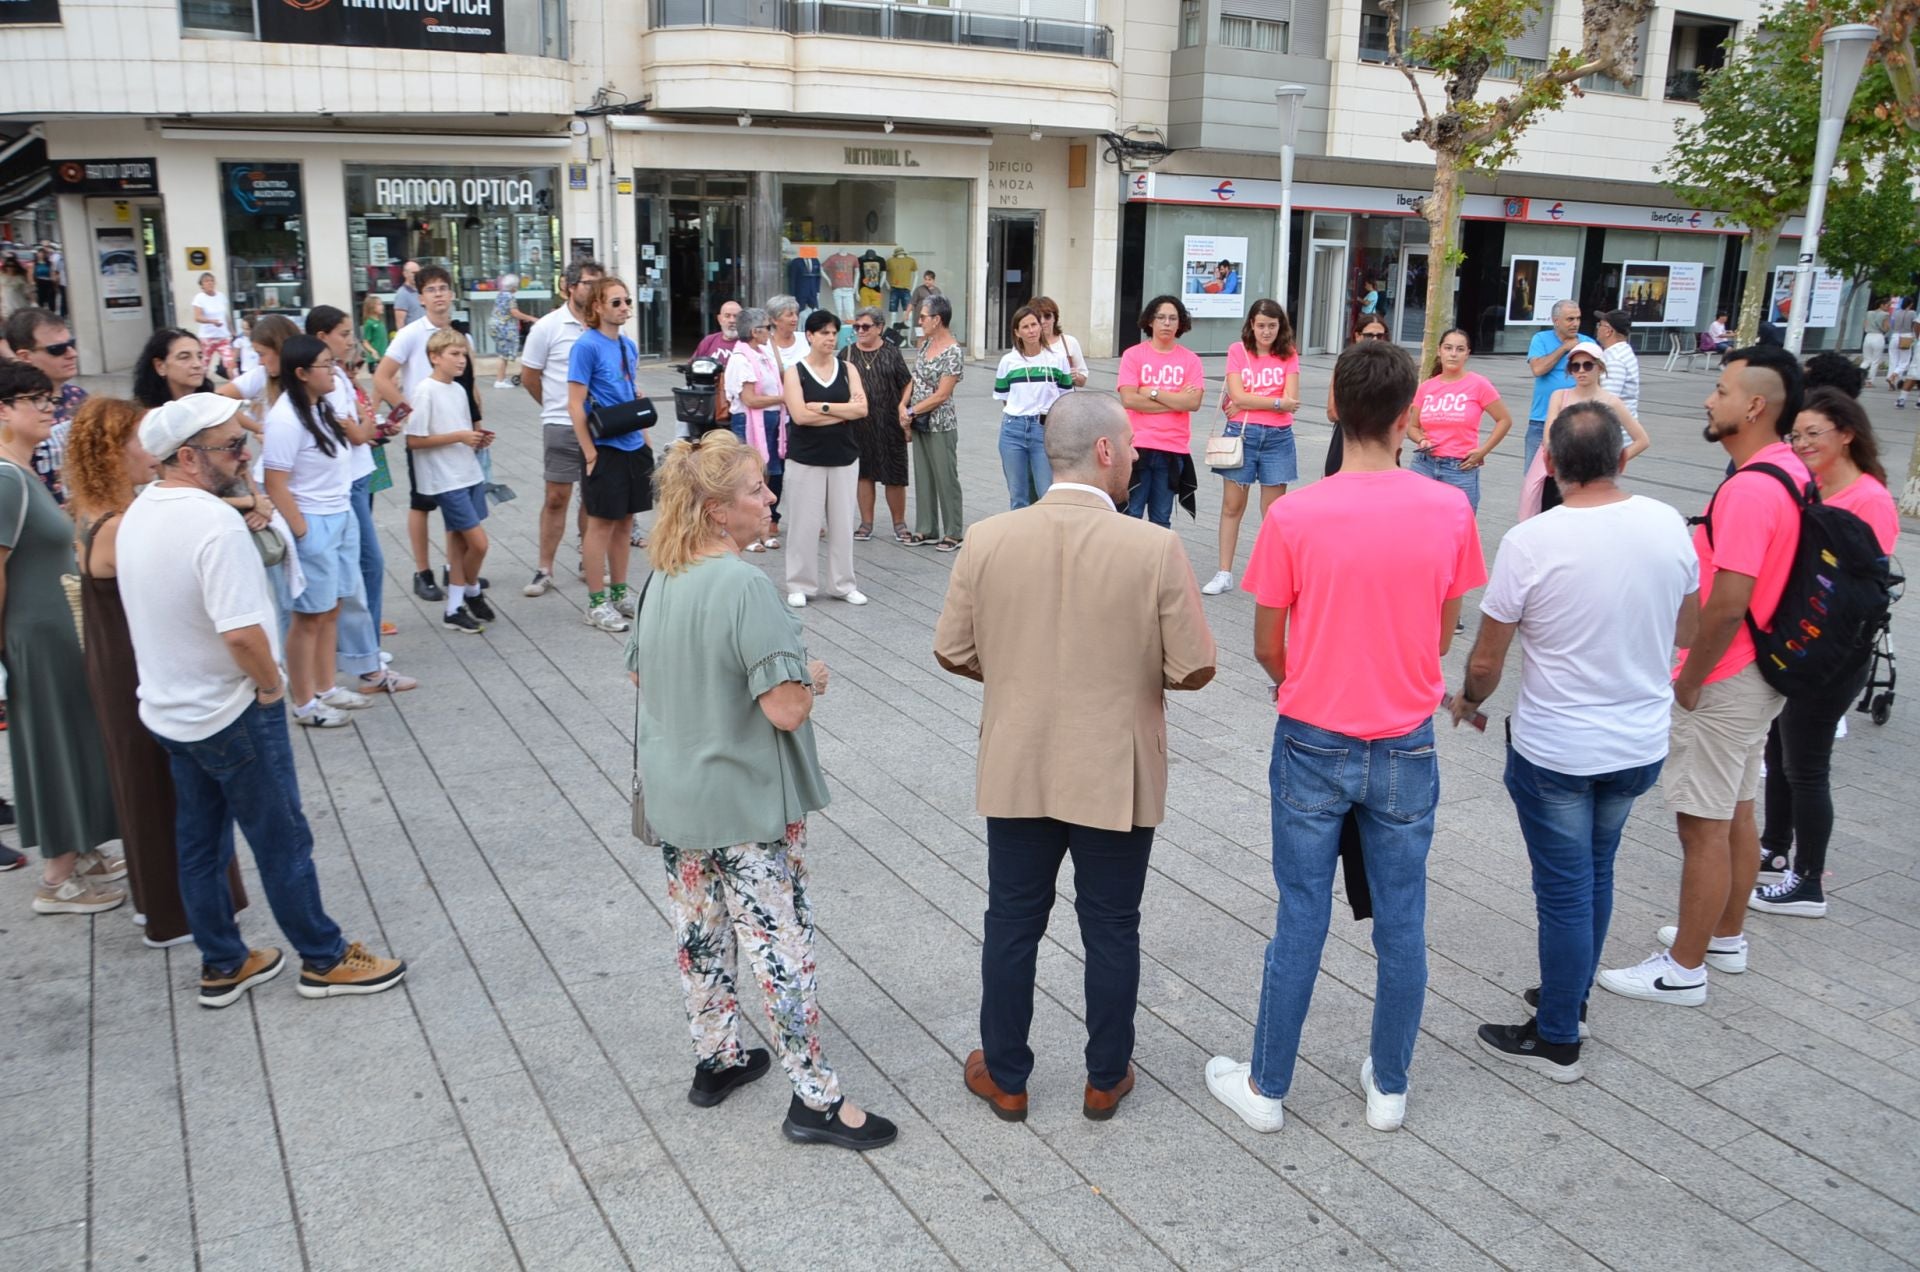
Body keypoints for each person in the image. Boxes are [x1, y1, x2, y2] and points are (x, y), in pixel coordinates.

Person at [1206, 339, 1484, 1136]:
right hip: (1405, 738)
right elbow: (1442, 636)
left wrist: (1300, 680)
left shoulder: (1294, 514)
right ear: (1408, 415)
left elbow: (1268, 642)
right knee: (1402, 918)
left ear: (1334, 410)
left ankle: (1267, 1085)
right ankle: (1389, 1084)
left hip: (1312, 736)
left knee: (1301, 913)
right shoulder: (1449, 510)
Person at [935, 392, 1216, 1124]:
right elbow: (1193, 666)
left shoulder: (987, 538)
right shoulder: (1154, 547)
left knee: (1012, 921)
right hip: (1116, 767)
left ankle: (1006, 1076)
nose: (1137, 456)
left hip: (1019, 758)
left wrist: (1018, 675)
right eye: (1131, 444)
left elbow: (953, 649)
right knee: (1112, 924)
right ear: (1104, 451)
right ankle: (1104, 1076)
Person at [628, 431, 897, 1150]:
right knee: (781, 947)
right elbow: (784, 709)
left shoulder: (662, 576)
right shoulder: (745, 586)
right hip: (744, 801)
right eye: (755, 489)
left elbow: (639, 674)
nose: (770, 496)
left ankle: (716, 1059)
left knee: (699, 936)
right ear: (717, 510)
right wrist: (810, 675)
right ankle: (815, 1099)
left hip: (676, 796)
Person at [118, 399, 406, 1007]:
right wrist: (272, 687)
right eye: (230, 446)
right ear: (188, 458)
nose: (245, 454)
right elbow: (243, 635)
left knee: (200, 843)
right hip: (231, 709)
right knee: (282, 839)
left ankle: (223, 962)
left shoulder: (142, 509)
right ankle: (323, 958)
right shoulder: (213, 525)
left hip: (171, 709)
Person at [1452, 402, 1699, 1081]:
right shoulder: (1668, 524)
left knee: (1564, 890)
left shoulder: (1531, 541)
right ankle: (1572, 993)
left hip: (1559, 748)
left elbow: (1486, 661)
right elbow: (1687, 630)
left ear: (1551, 463)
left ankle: (1559, 1037)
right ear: (1621, 459)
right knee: (1597, 869)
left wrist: (1468, 702)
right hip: (1639, 742)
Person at [1596, 344, 1807, 1007]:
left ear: (1756, 405)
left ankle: (1682, 969)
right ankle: (1724, 934)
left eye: (1721, 390)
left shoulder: (1750, 489)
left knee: (1702, 824)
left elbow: (1728, 602)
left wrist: (1692, 679)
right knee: (1736, 808)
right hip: (1762, 672)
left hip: (1728, 675)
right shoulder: (1789, 470)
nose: (1709, 400)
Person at [64, 396, 250, 946]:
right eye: (140, 441)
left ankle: (170, 904)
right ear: (111, 451)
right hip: (134, 663)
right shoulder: (119, 523)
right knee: (159, 787)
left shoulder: (101, 509)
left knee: (150, 783)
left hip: (120, 657)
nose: (153, 451)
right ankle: (173, 913)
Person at [1750, 389, 1900, 919]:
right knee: (1779, 752)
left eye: (1814, 434)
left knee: (1808, 766)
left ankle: (1808, 883)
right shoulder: (1809, 486)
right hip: (1794, 643)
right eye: (1796, 435)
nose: (1803, 443)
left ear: (1848, 434)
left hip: (1833, 654)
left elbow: (1863, 592)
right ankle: (1774, 851)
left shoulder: (1869, 499)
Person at [0, 361, 126, 915]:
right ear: (3, 410)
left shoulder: (20, 471)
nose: (49, 410)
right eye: (36, 401)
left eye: (49, 400)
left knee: (75, 738)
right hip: (35, 637)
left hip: (52, 632)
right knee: (54, 746)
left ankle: (82, 847)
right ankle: (55, 879)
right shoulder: (6, 479)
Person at [261, 336, 376, 728]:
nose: (334, 371)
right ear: (301, 373)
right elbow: (274, 482)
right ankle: (304, 702)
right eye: (326, 365)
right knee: (309, 616)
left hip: (340, 515)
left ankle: (326, 688)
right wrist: (302, 531)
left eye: (333, 363)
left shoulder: (322, 406)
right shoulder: (285, 419)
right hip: (313, 521)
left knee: (332, 608)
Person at [308, 306, 411, 694]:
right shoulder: (326, 381)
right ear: (322, 337)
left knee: (360, 565)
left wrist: (375, 428)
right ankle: (364, 654)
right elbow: (352, 431)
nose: (351, 340)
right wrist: (369, 428)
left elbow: (359, 427)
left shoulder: (337, 375)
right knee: (366, 565)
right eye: (344, 333)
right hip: (344, 482)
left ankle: (362, 650)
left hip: (358, 474)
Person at [567, 276, 652, 633]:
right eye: (616, 302)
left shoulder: (627, 345)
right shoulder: (586, 346)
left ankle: (619, 592)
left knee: (626, 522)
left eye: (627, 301)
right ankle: (596, 602)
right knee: (600, 524)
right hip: (604, 447)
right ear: (597, 307)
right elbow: (575, 404)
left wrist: (646, 439)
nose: (624, 307)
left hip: (632, 444)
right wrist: (589, 453)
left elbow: (632, 394)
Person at [375, 264, 464, 602]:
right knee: (422, 503)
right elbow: (382, 377)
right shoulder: (412, 333)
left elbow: (468, 383)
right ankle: (422, 572)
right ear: (421, 298)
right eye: (431, 290)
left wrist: (476, 420)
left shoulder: (458, 333)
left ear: (451, 294)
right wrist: (409, 412)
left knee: (457, 502)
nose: (438, 294)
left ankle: (454, 568)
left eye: (443, 288)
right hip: (425, 435)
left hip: (456, 432)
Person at [519, 258, 605, 597]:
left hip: (601, 425)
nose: (595, 290)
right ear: (570, 287)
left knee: (593, 497)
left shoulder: (606, 324)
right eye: (588, 283)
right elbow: (529, 376)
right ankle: (545, 568)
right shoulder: (548, 326)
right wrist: (555, 407)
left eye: (599, 283)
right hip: (561, 424)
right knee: (556, 497)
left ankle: (589, 561)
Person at [1204, 299, 1301, 596]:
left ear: (1280, 326)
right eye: (1261, 325)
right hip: (1242, 435)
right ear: (1251, 325)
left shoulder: (1288, 353)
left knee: (1273, 511)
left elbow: (1292, 401)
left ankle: (1273, 572)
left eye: (1272, 325)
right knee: (1232, 506)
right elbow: (1238, 395)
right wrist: (1275, 402)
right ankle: (1224, 572)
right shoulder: (1238, 351)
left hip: (1278, 437)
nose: (1266, 331)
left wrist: (1250, 400)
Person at [408, 329, 494, 634]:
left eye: (464, 354)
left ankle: (454, 607)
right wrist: (459, 436)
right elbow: (414, 440)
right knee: (479, 544)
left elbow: (461, 430)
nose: (462, 360)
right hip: (445, 479)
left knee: (458, 544)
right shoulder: (425, 391)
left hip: (467, 472)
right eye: (454, 354)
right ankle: (471, 591)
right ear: (434, 357)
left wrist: (476, 440)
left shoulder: (458, 389)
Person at [780, 310, 868, 609]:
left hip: (844, 456)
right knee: (803, 525)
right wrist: (843, 413)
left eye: (834, 333)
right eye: (824, 333)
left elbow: (861, 409)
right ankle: (799, 584)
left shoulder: (847, 368)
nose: (831, 338)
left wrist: (824, 407)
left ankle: (843, 584)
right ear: (810, 336)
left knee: (842, 525)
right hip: (806, 458)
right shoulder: (796, 372)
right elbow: (800, 416)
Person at [1520, 342, 1650, 519]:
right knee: (1550, 518)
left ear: (1600, 368)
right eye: (1575, 366)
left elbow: (1642, 440)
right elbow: (1548, 436)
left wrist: (1610, 462)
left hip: (1593, 477)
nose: (1581, 371)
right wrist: (1559, 460)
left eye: (1588, 365)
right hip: (1559, 473)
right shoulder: (1559, 395)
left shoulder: (1612, 402)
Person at [1116, 295, 1204, 528]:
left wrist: (1152, 392)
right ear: (1150, 321)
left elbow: (1193, 403)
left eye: (1173, 318)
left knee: (1161, 519)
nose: (1167, 323)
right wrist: (1176, 401)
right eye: (1161, 317)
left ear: (1180, 323)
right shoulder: (1133, 355)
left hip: (1172, 449)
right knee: (1131, 515)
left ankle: (1158, 555)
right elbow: (1129, 399)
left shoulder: (1191, 360)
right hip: (1137, 447)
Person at [1407, 327, 1513, 514]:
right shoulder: (1426, 387)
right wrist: (1421, 440)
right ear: (1439, 351)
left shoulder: (1479, 384)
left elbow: (1504, 420)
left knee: (1460, 523)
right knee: (1419, 521)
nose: (1453, 354)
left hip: (1460, 468)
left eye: (1460, 349)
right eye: (1448, 348)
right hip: (1424, 464)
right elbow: (1412, 427)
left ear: (1467, 354)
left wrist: (1483, 451)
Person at [991, 305, 1072, 511]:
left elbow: (1065, 396)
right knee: (1018, 495)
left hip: (1044, 429)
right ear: (1017, 332)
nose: (1031, 330)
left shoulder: (1057, 359)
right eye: (1025, 327)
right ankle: (1022, 532)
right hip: (1013, 429)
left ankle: (1048, 531)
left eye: (1034, 325)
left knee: (1046, 492)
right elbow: (1004, 397)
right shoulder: (1008, 362)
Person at [843, 305, 911, 544]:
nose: (860, 331)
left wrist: (903, 406)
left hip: (890, 422)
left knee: (895, 474)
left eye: (866, 326)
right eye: (857, 326)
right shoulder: (847, 353)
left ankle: (899, 523)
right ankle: (866, 523)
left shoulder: (892, 352)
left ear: (880, 327)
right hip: (859, 424)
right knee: (864, 474)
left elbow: (907, 381)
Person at [4, 307, 86, 503]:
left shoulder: (79, 397)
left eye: (71, 344)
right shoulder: (12, 409)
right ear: (25, 356)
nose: (72, 353)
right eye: (57, 349)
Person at [722, 306, 788, 552]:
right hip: (750, 423)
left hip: (770, 421)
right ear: (754, 331)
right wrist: (783, 399)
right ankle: (746, 534)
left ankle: (763, 530)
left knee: (768, 477)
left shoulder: (762, 353)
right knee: (748, 479)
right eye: (767, 328)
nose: (770, 332)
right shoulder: (741, 359)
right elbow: (749, 399)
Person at [905, 294, 965, 549]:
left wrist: (911, 411)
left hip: (940, 422)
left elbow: (942, 394)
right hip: (920, 420)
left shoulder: (953, 351)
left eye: (923, 317)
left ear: (937, 319)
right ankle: (926, 528)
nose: (920, 321)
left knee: (945, 476)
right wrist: (903, 405)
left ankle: (953, 532)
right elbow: (915, 378)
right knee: (924, 475)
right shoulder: (925, 344)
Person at [1323, 316, 1390, 477]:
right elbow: (1332, 412)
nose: (1375, 340)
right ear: (1358, 336)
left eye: (1380, 336)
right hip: (1348, 437)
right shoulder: (1345, 363)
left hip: (1380, 440)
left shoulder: (1392, 366)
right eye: (1369, 335)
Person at [1525, 299, 1582, 473]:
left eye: (1578, 318)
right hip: (1541, 421)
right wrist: (1564, 348)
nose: (1575, 323)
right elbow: (1538, 369)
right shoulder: (1541, 339)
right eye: (1570, 319)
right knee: (1534, 477)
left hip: (1575, 422)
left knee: (1571, 476)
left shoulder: (1587, 343)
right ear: (1556, 321)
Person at [133, 327, 216, 409]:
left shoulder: (216, 406)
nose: (197, 364)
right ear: (160, 366)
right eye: (184, 357)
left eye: (200, 357)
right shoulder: (143, 414)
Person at [489, 274, 537, 389]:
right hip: (503, 327)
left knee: (502, 353)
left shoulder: (500, 294)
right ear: (513, 287)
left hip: (495, 325)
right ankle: (500, 380)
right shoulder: (510, 297)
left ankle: (501, 377)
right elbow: (514, 312)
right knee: (503, 355)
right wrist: (531, 318)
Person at [1033, 296, 1090, 390]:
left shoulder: (1069, 342)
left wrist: (1075, 376)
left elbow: (1082, 381)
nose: (1043, 321)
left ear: (1054, 318)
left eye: (1047, 316)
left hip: (1064, 397)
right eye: (1038, 317)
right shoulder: (1025, 344)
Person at [1595, 309, 1640, 416]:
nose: (1597, 328)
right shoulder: (1623, 351)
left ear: (1608, 331)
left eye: (1600, 325)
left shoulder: (1614, 359)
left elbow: (1607, 401)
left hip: (1614, 424)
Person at [192, 274, 238, 379]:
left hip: (223, 336)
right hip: (207, 337)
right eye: (206, 281)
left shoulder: (221, 296)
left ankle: (237, 384)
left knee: (230, 363)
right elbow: (197, 317)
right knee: (204, 364)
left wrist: (232, 330)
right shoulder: (199, 298)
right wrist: (211, 321)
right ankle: (201, 384)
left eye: (211, 280)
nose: (210, 283)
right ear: (202, 285)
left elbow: (225, 315)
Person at [691, 300, 741, 364]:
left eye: (736, 316)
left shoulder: (749, 343)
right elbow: (693, 365)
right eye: (727, 316)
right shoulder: (709, 341)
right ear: (719, 319)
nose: (732, 320)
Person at [766, 294, 807, 370]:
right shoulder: (765, 345)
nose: (795, 319)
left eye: (796, 314)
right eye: (789, 315)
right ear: (774, 320)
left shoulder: (807, 339)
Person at [1859, 298, 1889, 386]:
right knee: (1875, 361)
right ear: (1882, 305)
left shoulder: (1869, 313)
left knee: (1866, 360)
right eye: (1887, 305)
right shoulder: (1885, 314)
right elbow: (1886, 328)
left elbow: (1864, 326)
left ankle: (1858, 376)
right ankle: (1870, 381)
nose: (1888, 307)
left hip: (1868, 336)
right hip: (1878, 337)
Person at [359, 292, 390, 367]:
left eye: (382, 304)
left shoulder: (380, 322)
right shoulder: (369, 323)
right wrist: (373, 351)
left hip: (383, 357)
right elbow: (365, 342)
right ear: (371, 307)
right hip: (374, 360)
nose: (382, 306)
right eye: (379, 304)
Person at [392, 260, 423, 329]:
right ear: (405, 274)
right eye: (413, 273)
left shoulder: (422, 290)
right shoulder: (402, 294)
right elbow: (400, 323)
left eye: (418, 273)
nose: (417, 275)